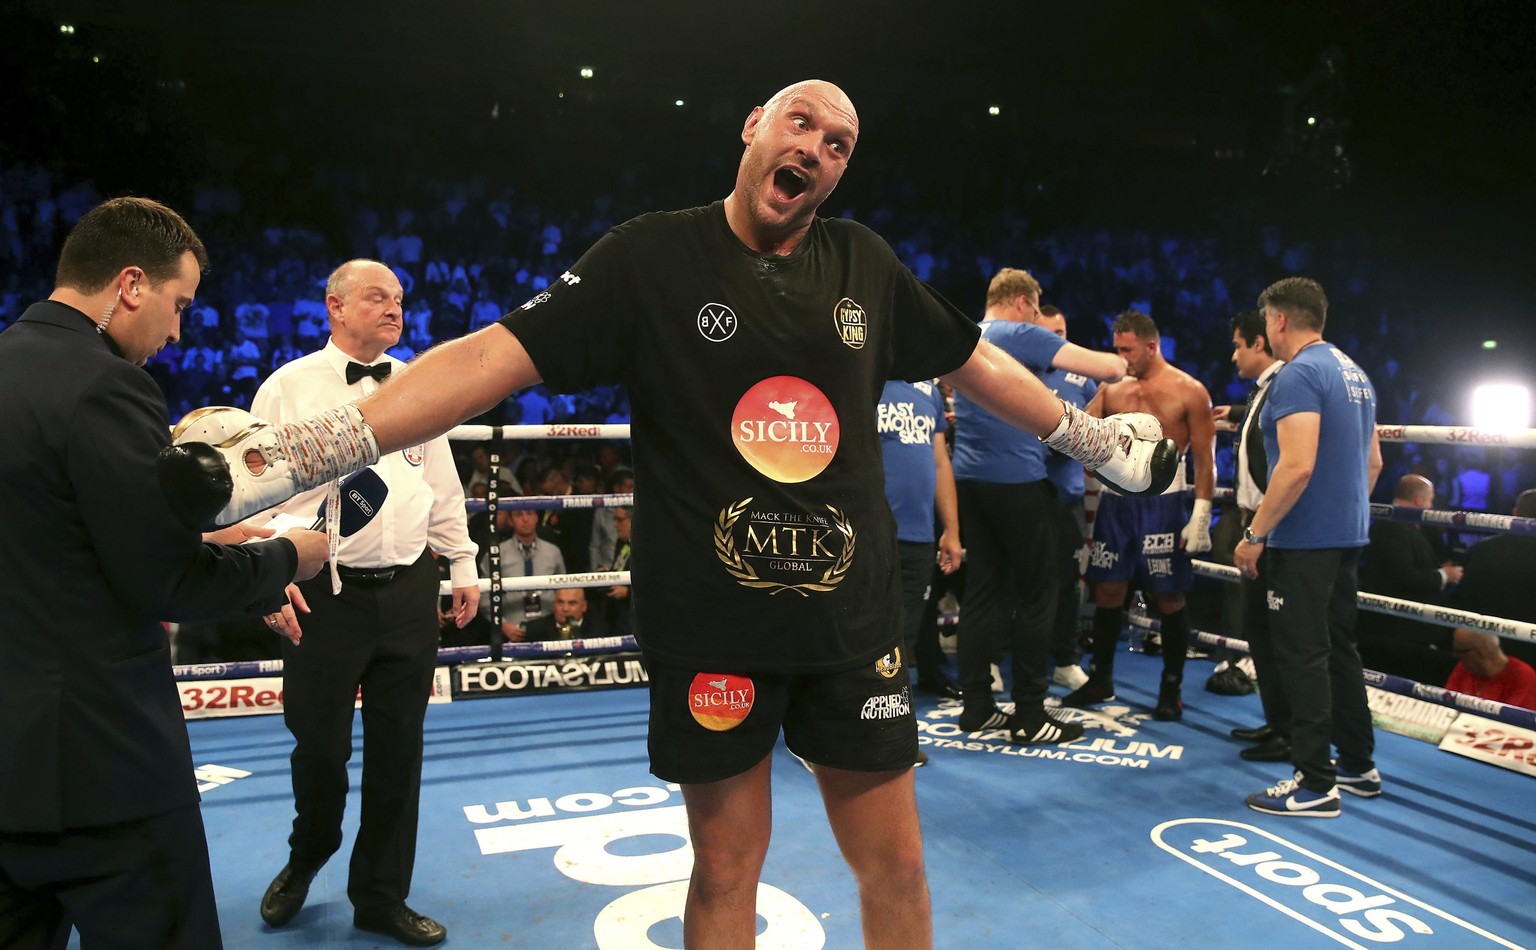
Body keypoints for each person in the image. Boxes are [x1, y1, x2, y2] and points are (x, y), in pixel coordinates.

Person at [167, 81, 1176, 948]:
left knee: (899, 868)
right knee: (725, 870)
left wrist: (1093, 441)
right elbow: (482, 359)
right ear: (753, 127)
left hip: (851, 624)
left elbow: (975, 358)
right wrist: (292, 455)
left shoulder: (864, 262)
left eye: (840, 146)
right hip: (714, 626)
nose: (818, 151)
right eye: (805, 125)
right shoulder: (649, 257)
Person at [0, 197, 327, 949]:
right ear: (130, 285)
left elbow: (55, 535)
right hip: (99, 765)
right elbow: (165, 581)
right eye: (178, 304)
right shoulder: (106, 384)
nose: (178, 330)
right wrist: (287, 557)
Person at [251, 259, 479, 947]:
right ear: (335, 307)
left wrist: (462, 558)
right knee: (317, 747)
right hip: (323, 596)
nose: (393, 309)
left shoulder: (418, 381)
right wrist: (266, 576)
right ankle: (308, 852)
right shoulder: (287, 388)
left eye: (399, 299)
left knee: (398, 751)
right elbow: (253, 498)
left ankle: (380, 895)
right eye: (377, 297)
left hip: (408, 589)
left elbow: (439, 482)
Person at [950, 269, 1129, 743]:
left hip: (970, 479)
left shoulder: (964, 332)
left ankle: (977, 708)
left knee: (983, 592)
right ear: (1026, 302)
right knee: (1037, 593)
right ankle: (1030, 713)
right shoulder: (1019, 333)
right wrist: (1125, 365)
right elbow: (1108, 367)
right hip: (1018, 481)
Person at [1233, 277, 1383, 818]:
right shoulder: (1356, 373)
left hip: (1304, 540)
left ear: (1277, 321)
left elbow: (1295, 466)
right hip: (1346, 535)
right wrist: (1341, 514)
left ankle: (1316, 782)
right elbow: (1373, 466)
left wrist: (1255, 536)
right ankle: (1359, 767)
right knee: (1340, 649)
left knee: (1302, 654)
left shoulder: (1298, 375)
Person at [1065, 310, 1216, 721]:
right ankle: (1102, 678)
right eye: (1116, 348)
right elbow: (1083, 430)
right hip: (1117, 503)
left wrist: (1201, 513)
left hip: (1165, 505)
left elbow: (1205, 458)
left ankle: (1171, 690)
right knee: (1109, 591)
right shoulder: (1111, 388)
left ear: (1152, 346)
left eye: (1127, 349)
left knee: (1167, 596)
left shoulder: (1189, 390)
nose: (1121, 357)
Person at [1213, 308, 1291, 762]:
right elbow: (1263, 420)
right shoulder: (1264, 392)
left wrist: (1261, 530)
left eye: (1239, 345)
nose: (1233, 355)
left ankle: (1292, 732)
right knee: (1259, 633)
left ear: (1258, 344)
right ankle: (1278, 723)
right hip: (1256, 524)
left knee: (1279, 636)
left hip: (1272, 527)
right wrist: (1238, 412)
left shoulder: (1286, 385)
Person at [878, 376, 963, 708]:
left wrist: (951, 531)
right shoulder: (861, 380)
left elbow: (940, 463)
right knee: (862, 637)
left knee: (904, 637)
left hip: (919, 536)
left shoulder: (929, 391)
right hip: (869, 536)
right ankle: (836, 737)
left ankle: (886, 732)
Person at [1035, 304, 1097, 691]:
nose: (1058, 340)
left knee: (1068, 582)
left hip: (1067, 498)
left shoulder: (1083, 378)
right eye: (1049, 334)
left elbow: (1098, 429)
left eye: (1062, 332)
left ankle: (1065, 659)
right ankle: (996, 658)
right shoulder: (1017, 373)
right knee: (1015, 579)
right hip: (1025, 491)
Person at [1357, 474, 1465, 684]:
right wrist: (1444, 575)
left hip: (1410, 628)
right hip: (1401, 631)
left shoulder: (1405, 525)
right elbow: (1404, 576)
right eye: (1430, 500)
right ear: (1418, 500)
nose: (1431, 506)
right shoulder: (1392, 525)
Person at [1449, 487, 1536, 671]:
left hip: (1488, 650)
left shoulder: (1483, 549)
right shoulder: (1483, 549)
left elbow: (1465, 599)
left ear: (1514, 514)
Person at [481, 507, 566, 659]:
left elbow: (563, 591)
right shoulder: (495, 554)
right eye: (519, 514)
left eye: (530, 514)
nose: (525, 519)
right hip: (510, 629)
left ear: (536, 518)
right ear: (510, 521)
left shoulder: (553, 552)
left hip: (547, 627)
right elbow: (484, 596)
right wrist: (502, 625)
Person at [524, 587, 609, 641]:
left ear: (584, 606)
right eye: (560, 602)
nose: (565, 609)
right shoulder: (535, 630)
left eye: (572, 603)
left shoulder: (601, 631)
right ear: (554, 604)